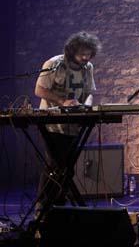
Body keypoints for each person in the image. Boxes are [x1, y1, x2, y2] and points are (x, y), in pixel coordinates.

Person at [34, 31, 101, 218]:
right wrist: (62, 101)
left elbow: (89, 92)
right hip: (52, 124)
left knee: (67, 168)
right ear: (72, 51)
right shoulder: (54, 64)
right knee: (55, 166)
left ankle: (59, 208)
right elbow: (39, 90)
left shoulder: (88, 67)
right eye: (82, 53)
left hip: (73, 125)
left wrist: (86, 106)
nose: (86, 57)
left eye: (89, 54)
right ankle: (43, 209)